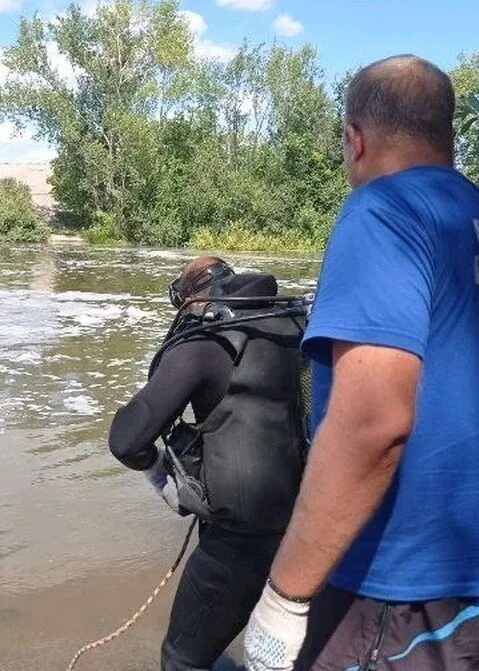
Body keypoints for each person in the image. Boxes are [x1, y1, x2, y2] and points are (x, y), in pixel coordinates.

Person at [242, 55, 479, 671]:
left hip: (405, 587)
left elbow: (374, 423)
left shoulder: (383, 213)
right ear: (446, 134)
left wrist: (285, 596)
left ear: (355, 138)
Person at [108, 256, 308, 671]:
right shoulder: (293, 325)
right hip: (309, 524)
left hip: (241, 536)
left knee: (183, 657)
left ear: (193, 297)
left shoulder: (205, 339)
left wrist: (160, 473)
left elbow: (126, 439)